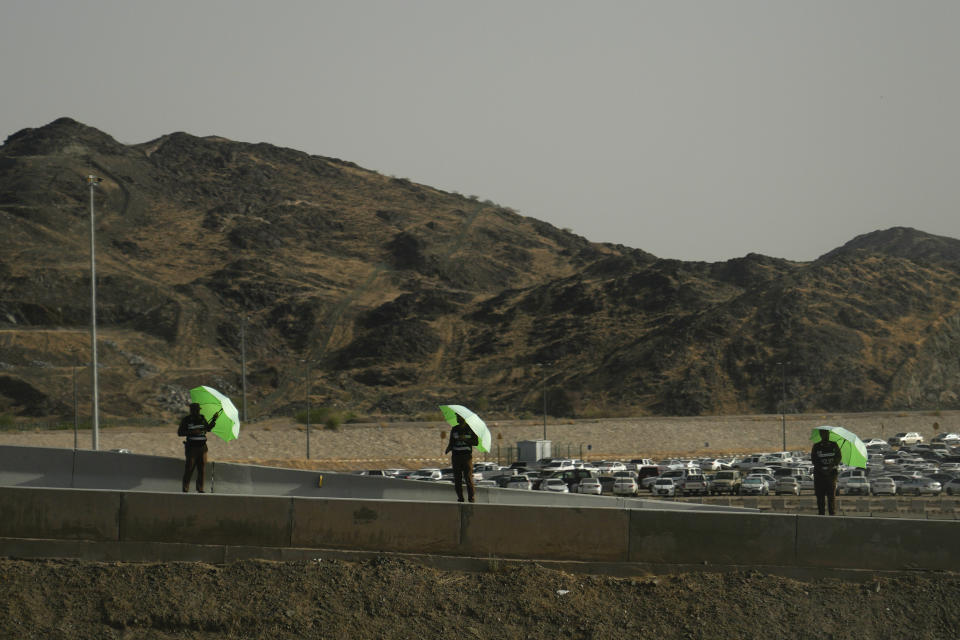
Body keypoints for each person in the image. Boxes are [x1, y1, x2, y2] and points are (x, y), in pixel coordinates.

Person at [178, 403, 218, 493]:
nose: (197, 411)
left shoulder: (202, 418)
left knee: (202, 468)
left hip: (203, 448)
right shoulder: (187, 420)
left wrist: (214, 419)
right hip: (191, 448)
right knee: (189, 468)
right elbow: (180, 432)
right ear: (191, 410)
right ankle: (185, 488)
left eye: (198, 410)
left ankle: (200, 488)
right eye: (195, 410)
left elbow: (208, 429)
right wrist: (192, 432)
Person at [444, 416, 479, 503]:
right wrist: (448, 448)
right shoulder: (454, 429)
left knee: (468, 478)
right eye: (456, 417)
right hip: (456, 457)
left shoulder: (470, 429)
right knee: (457, 479)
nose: (456, 419)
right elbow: (451, 442)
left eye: (458, 417)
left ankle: (471, 499)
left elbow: (476, 442)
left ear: (463, 418)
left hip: (466, 457)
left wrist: (465, 439)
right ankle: (460, 498)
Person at [811, 428, 843, 515]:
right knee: (820, 499)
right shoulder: (816, 446)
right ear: (820, 435)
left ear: (828, 434)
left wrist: (831, 467)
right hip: (819, 476)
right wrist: (822, 470)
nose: (824, 435)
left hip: (831, 476)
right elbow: (814, 460)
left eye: (826, 433)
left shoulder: (834, 445)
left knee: (831, 498)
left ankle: (832, 516)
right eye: (822, 433)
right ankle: (821, 515)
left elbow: (838, 458)